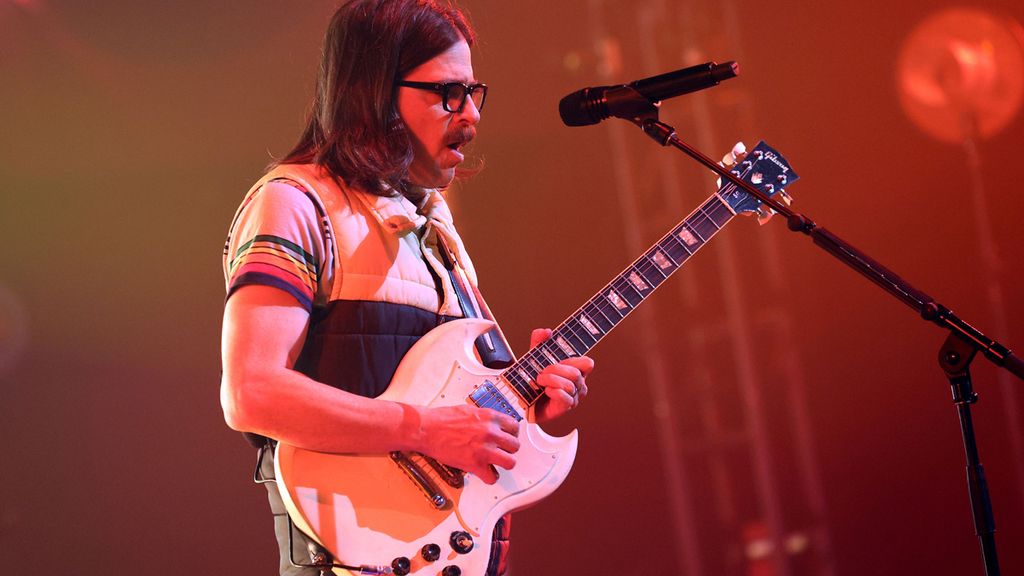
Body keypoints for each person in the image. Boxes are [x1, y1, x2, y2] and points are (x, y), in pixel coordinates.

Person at [219, 1, 594, 574]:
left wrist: (524, 406)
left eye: (473, 93)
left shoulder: (437, 230)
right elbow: (252, 393)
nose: (471, 115)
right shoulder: (295, 203)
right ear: (373, 93)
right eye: (449, 93)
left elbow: (448, 413)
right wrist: (426, 430)